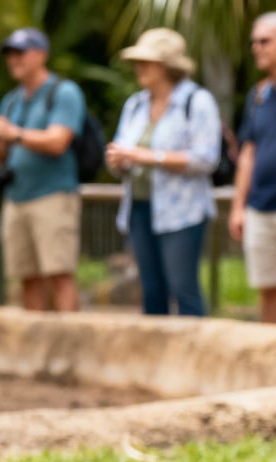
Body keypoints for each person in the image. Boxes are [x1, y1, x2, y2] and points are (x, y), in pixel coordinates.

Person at [106, 28, 220, 317]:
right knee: (151, 289)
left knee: (183, 288)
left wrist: (149, 156)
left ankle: (195, 357)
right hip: (140, 208)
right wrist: (119, 160)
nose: (138, 68)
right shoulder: (135, 105)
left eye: (145, 62)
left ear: (167, 65)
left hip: (182, 211)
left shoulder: (197, 101)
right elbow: (123, 153)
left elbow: (207, 159)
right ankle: (155, 359)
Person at [0, 27, 85, 312]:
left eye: (21, 52)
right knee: (27, 278)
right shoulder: (11, 100)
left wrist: (14, 133)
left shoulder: (64, 92)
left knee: (59, 274)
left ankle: (70, 346)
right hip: (16, 198)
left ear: (41, 54)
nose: (13, 59)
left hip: (53, 195)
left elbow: (58, 141)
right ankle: (35, 352)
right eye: (10, 54)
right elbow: (2, 155)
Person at [231, 12, 276, 324]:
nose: (256, 48)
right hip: (260, 206)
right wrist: (238, 206)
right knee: (267, 288)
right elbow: (248, 152)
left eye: (264, 41)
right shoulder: (258, 95)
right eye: (254, 42)